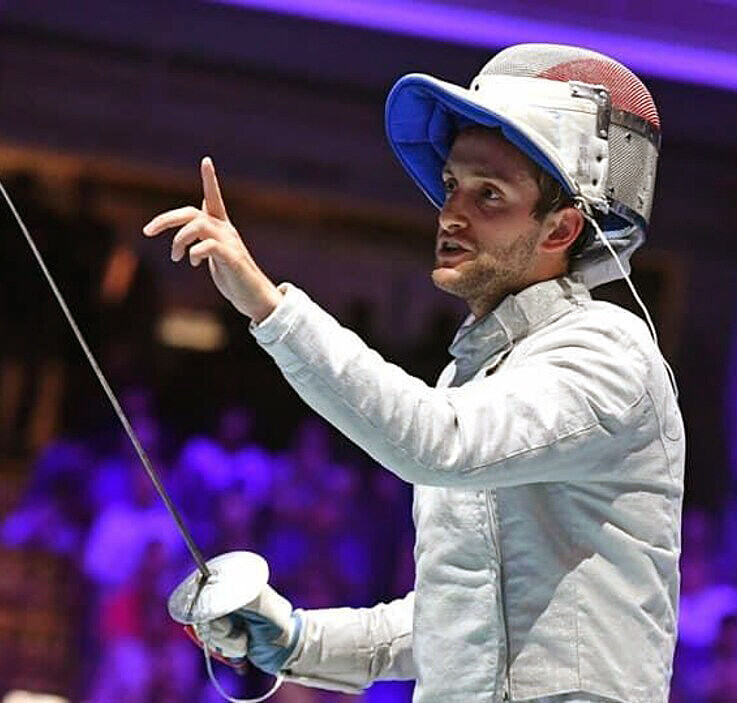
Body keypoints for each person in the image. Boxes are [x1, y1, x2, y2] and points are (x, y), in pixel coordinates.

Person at [143, 44, 684, 702]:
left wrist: (269, 306)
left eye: (490, 195)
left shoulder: (608, 354)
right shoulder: (472, 380)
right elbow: (458, 620)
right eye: (453, 184)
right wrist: (295, 639)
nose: (451, 213)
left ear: (560, 228)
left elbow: (439, 442)